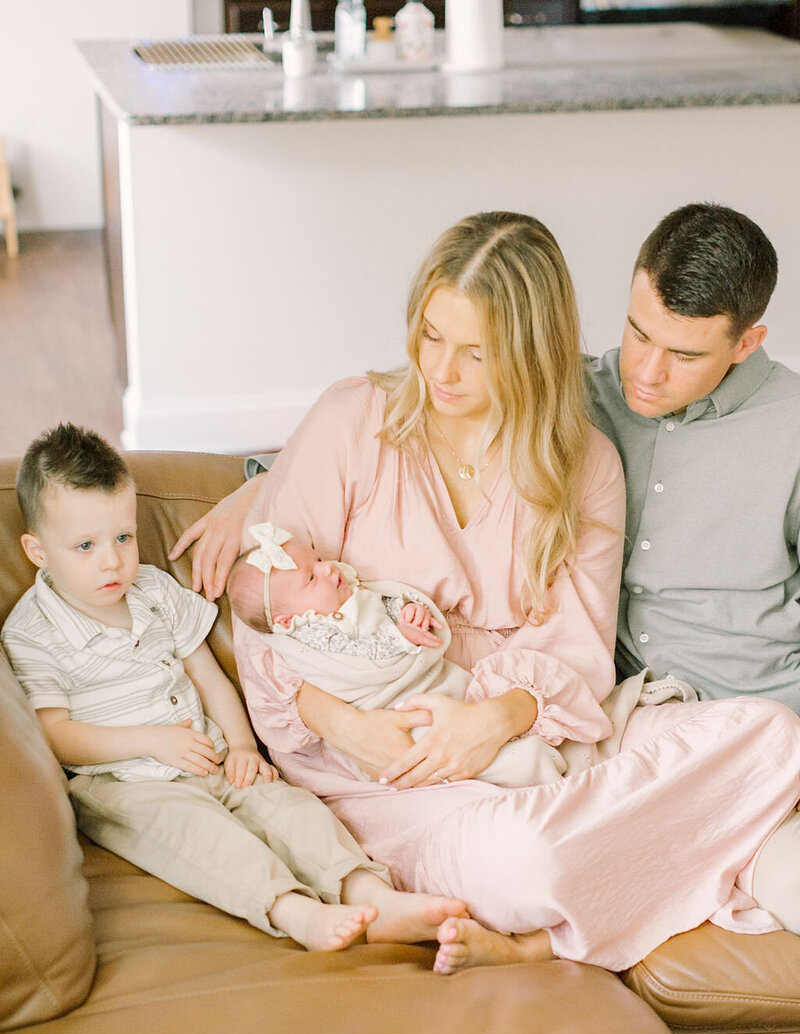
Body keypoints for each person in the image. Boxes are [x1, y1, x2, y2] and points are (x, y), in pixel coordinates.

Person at [169, 211, 800, 976]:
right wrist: (347, 725)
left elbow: (579, 650)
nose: (443, 372)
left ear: (533, 352)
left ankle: (606, 871)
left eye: (476, 352)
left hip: (542, 744)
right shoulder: (350, 421)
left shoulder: (585, 462)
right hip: (391, 774)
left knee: (771, 736)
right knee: (520, 862)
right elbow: (267, 616)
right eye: (431, 336)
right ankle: (641, 865)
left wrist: (494, 716)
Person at [1, 424, 469, 955]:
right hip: (126, 782)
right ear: (36, 550)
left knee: (290, 811)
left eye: (123, 538)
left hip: (213, 758)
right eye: (85, 546)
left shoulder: (152, 590)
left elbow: (205, 672)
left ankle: (370, 894)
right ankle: (297, 912)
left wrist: (243, 747)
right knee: (205, 840)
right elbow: (55, 735)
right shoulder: (32, 633)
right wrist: (150, 741)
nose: (112, 561)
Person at [586, 202, 800, 713]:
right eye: (639, 334)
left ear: (746, 343)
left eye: (684, 355)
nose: (646, 372)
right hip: (617, 713)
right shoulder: (576, 396)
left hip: (760, 713)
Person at [227, 521, 568, 787]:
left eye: (318, 559)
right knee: (439, 751)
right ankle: (532, 767)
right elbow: (363, 653)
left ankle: (524, 747)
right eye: (311, 578)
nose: (330, 568)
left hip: (437, 688)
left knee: (471, 716)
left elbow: (383, 604)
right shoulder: (310, 636)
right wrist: (400, 638)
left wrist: (408, 614)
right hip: (391, 714)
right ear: (288, 621)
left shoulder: (349, 596)